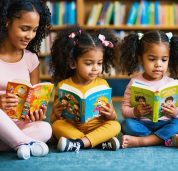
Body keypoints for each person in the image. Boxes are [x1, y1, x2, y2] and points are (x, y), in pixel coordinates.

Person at [50, 25, 121, 152]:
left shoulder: (103, 84)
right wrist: (56, 112)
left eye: (99, 63)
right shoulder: (63, 86)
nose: (95, 68)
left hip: (96, 126)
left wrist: (111, 114)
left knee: (115, 126)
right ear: (73, 63)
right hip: (73, 128)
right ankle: (98, 142)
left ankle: (78, 143)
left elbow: (113, 117)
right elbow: (54, 120)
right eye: (89, 63)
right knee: (57, 126)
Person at [120, 30, 178, 148]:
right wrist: (135, 112)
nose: (158, 64)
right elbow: (124, 110)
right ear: (141, 59)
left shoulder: (172, 83)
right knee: (127, 125)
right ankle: (163, 139)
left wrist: (175, 112)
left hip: (165, 122)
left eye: (164, 60)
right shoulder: (134, 82)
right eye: (152, 59)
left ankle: (143, 141)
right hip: (143, 123)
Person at [0, 0, 52, 160]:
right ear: (7, 22)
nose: (30, 36)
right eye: (24, 29)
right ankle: (25, 143)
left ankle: (15, 142)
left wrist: (36, 112)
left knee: (45, 129)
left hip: (17, 123)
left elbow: (33, 95)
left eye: (35, 30)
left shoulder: (31, 59)